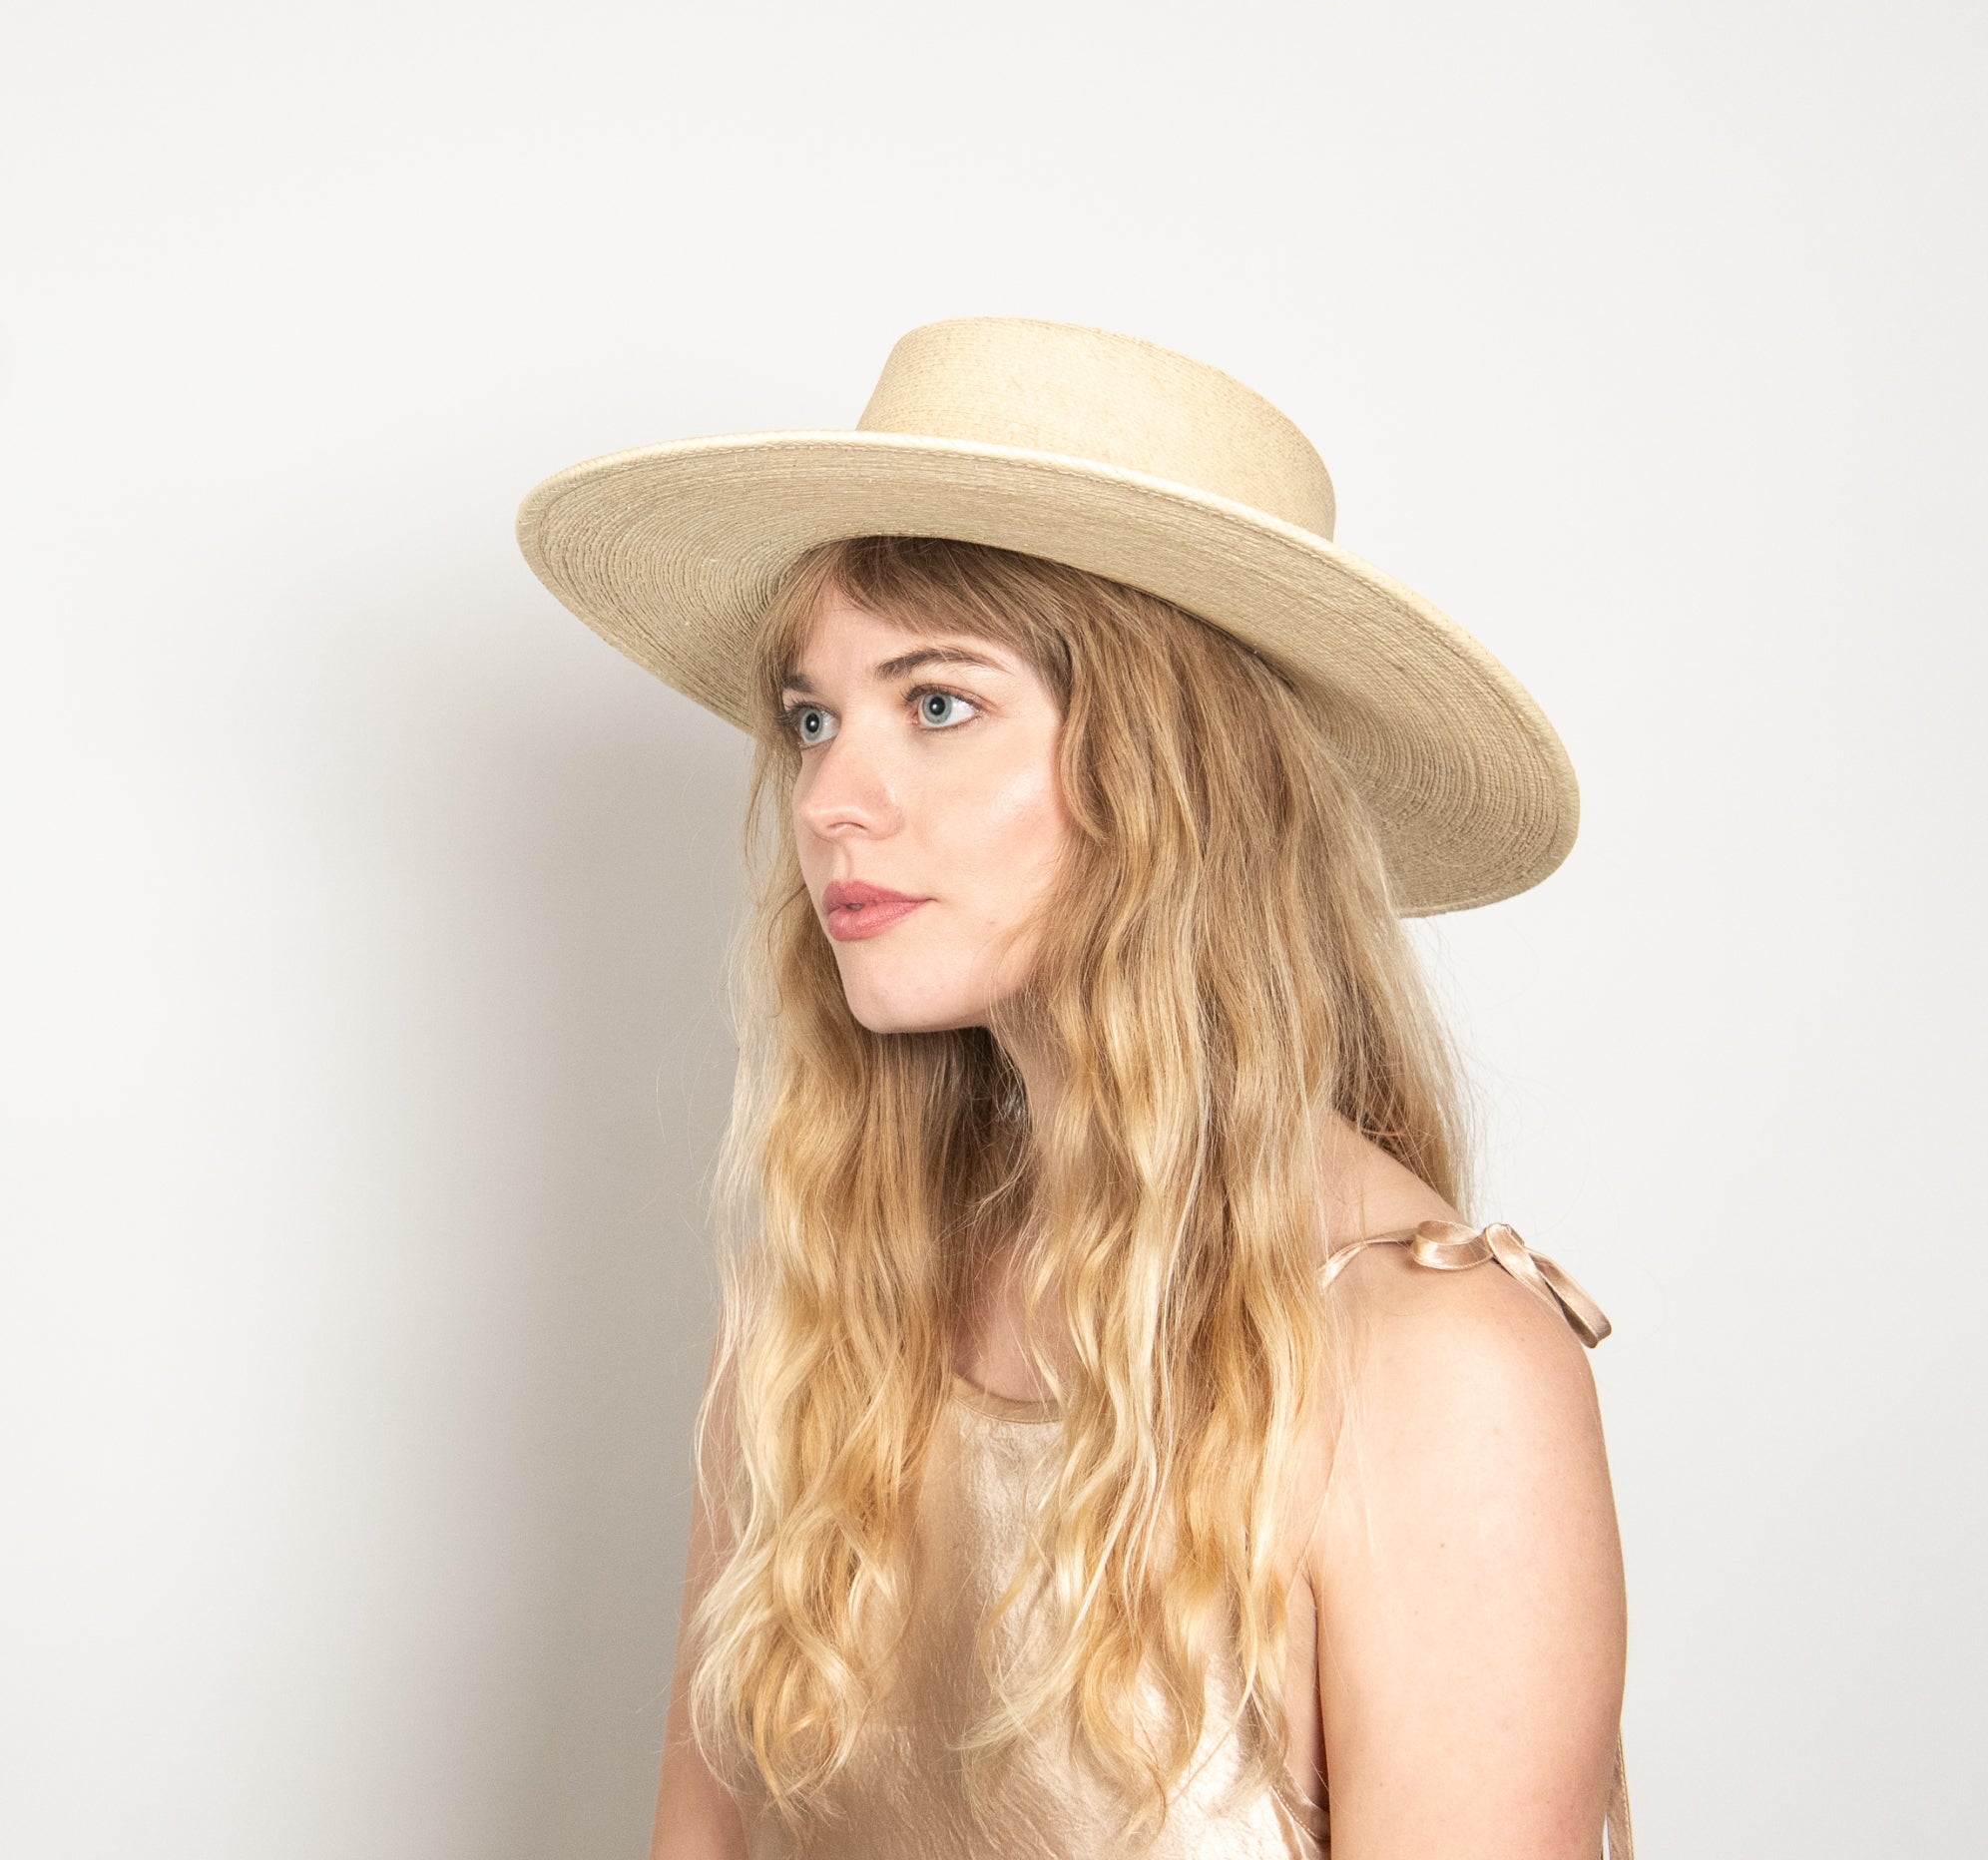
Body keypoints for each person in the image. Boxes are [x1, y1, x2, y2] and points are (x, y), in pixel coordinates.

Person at [517, 318, 1634, 1859]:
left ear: (1173, 774)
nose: (831, 800)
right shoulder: (825, 1301)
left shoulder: (1436, 1368)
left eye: (940, 703)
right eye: (813, 716)